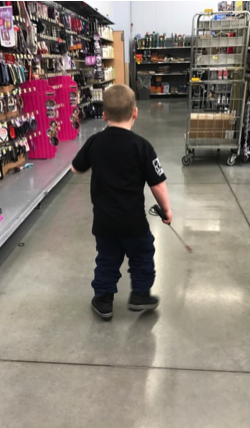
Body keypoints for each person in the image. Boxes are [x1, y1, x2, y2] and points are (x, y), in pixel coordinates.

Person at [71, 84, 172, 321]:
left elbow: (76, 168)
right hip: (133, 222)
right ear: (135, 113)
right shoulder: (142, 146)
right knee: (142, 256)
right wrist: (166, 210)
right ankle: (140, 295)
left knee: (107, 260)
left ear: (104, 114)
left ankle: (103, 300)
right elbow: (157, 184)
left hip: (104, 222)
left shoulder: (95, 142)